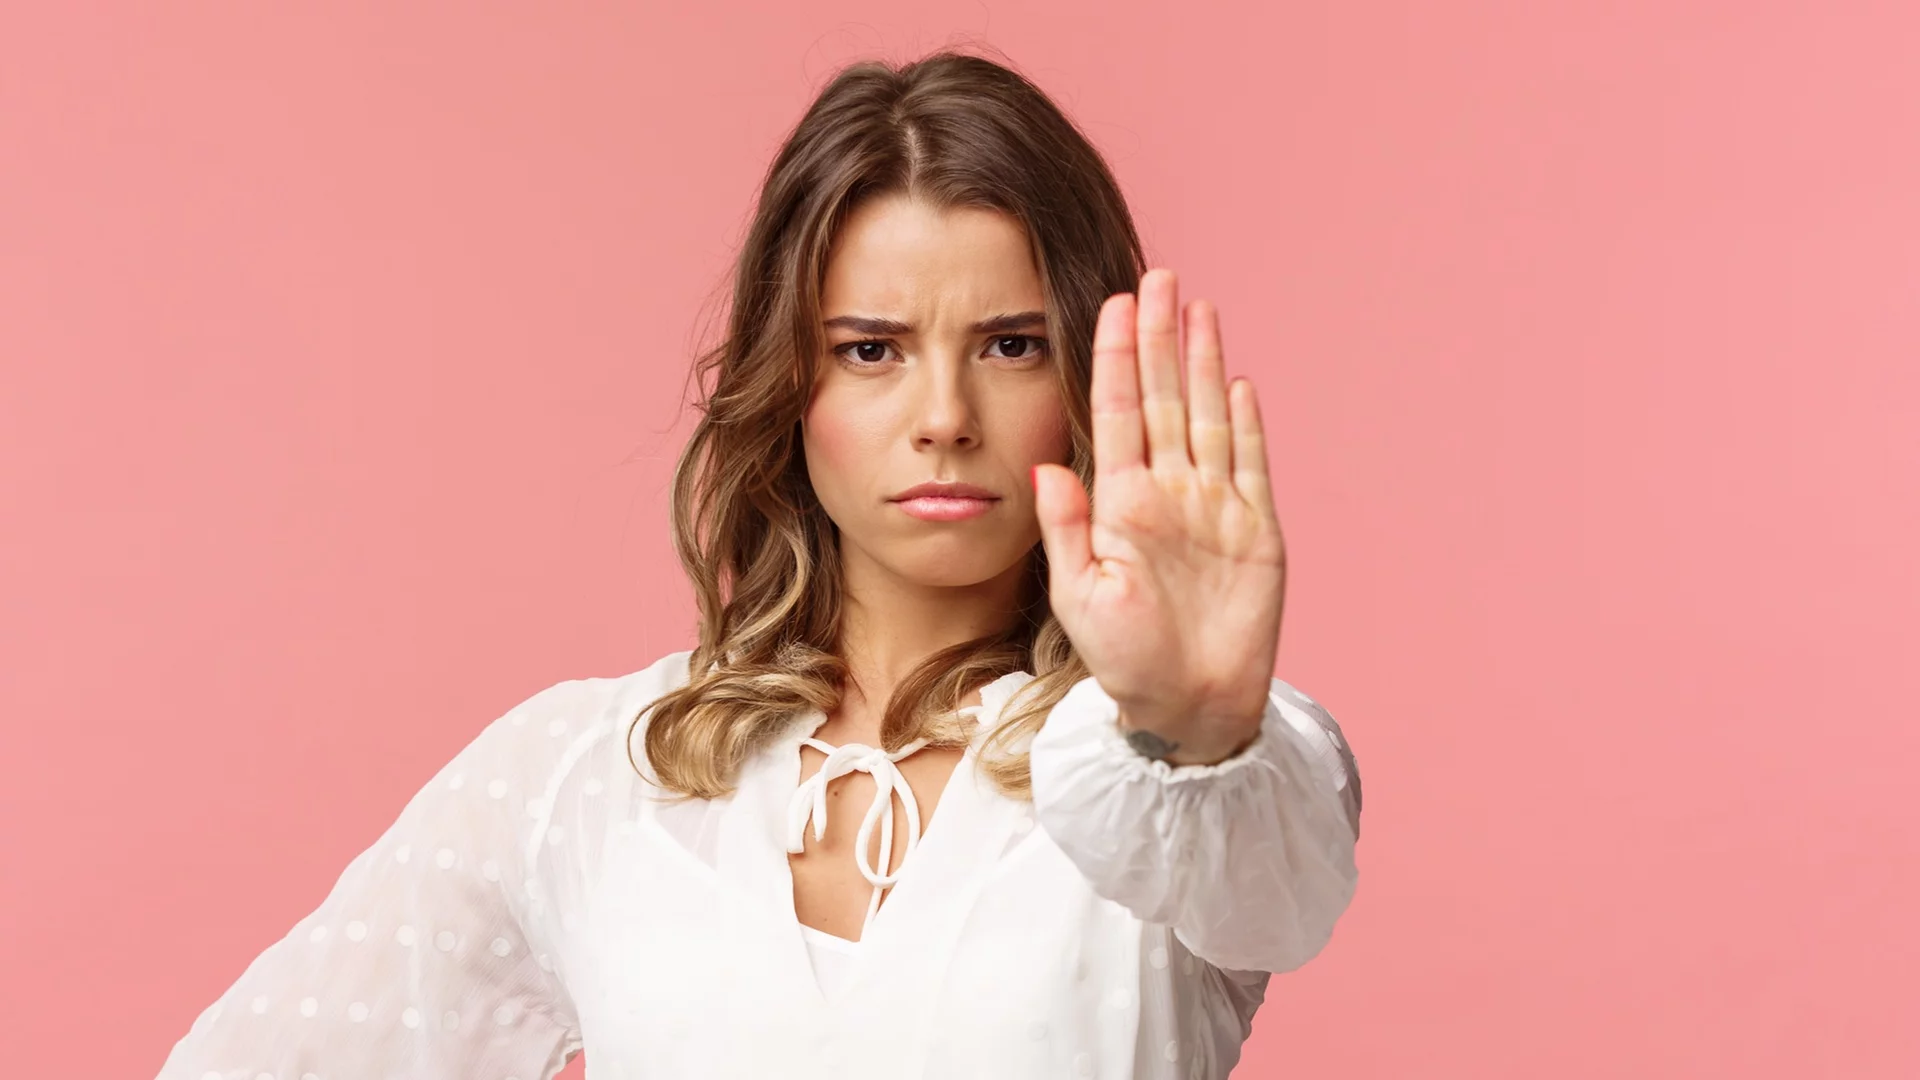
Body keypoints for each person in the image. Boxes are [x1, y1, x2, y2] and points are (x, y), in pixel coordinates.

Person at [153, 49, 1362, 1080]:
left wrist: (1192, 725)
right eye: (873, 349)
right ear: (790, 381)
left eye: (1009, 343)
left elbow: (1277, 893)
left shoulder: (1178, 766)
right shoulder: (590, 773)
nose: (943, 414)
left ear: (1089, 376)